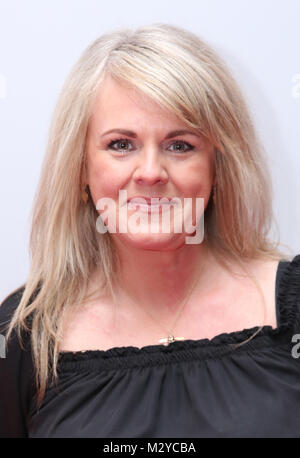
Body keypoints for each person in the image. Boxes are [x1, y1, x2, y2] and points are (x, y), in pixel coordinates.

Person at [0, 22, 299, 438]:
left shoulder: (293, 306)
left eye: (181, 145)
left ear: (219, 167)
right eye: (121, 144)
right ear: (81, 169)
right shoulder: (23, 335)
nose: (151, 173)